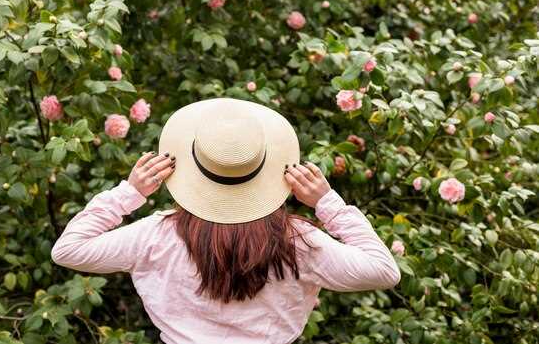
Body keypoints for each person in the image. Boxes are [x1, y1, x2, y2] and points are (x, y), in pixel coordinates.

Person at [51, 97, 401, 344]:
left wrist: (129, 192)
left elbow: (69, 250)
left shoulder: (156, 235)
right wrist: (327, 203)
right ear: (269, 169)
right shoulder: (297, 241)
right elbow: (384, 271)